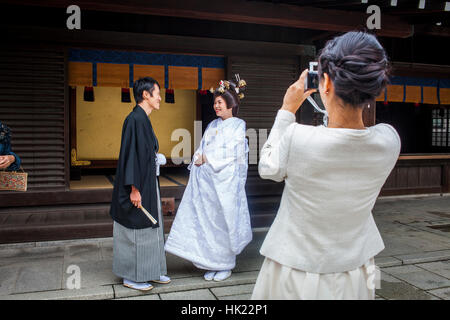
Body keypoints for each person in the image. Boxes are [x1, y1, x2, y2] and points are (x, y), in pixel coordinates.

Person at [251, 31, 401, 300]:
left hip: (293, 269)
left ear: (327, 82)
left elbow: (268, 169)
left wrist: (287, 108)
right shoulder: (389, 140)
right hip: (356, 269)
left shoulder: (298, 137)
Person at [165, 77, 252, 282]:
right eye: (215, 103)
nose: (216, 106)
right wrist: (198, 157)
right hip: (208, 184)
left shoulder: (238, 126)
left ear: (231, 103)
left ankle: (225, 265)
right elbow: (203, 147)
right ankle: (211, 263)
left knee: (223, 222)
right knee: (208, 222)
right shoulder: (212, 124)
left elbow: (232, 152)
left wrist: (208, 158)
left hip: (225, 184)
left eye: (220, 103)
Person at [110, 77, 171, 291]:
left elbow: (144, 152)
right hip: (136, 185)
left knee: (151, 225)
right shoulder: (134, 119)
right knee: (137, 228)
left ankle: (151, 271)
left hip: (147, 181)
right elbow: (130, 156)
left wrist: (155, 158)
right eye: (157, 93)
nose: (160, 98)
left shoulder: (143, 118)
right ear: (145, 95)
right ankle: (132, 276)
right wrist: (133, 189)